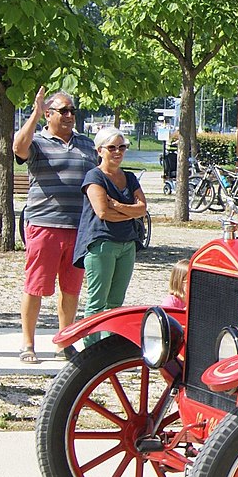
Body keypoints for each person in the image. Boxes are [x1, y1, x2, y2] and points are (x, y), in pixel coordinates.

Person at [13, 86, 98, 362]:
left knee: (71, 288)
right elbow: (18, 148)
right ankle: (28, 343)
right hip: (44, 225)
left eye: (72, 110)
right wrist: (34, 114)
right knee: (36, 286)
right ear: (49, 114)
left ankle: (64, 342)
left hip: (78, 228)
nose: (70, 115)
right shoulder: (37, 142)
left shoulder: (86, 144)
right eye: (63, 111)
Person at [73, 127, 148, 341]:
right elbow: (103, 212)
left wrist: (117, 205)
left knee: (116, 304)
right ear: (99, 150)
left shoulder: (130, 177)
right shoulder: (94, 176)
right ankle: (90, 350)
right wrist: (129, 211)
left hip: (127, 244)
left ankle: (108, 348)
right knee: (96, 303)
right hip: (101, 244)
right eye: (112, 147)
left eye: (122, 147)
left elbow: (142, 208)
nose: (118, 151)